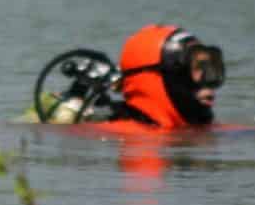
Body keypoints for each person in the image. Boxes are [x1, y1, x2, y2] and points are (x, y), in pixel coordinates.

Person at [30, 24, 224, 128]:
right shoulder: (120, 133)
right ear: (158, 74)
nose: (209, 81)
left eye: (211, 67)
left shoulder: (195, 130)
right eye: (196, 67)